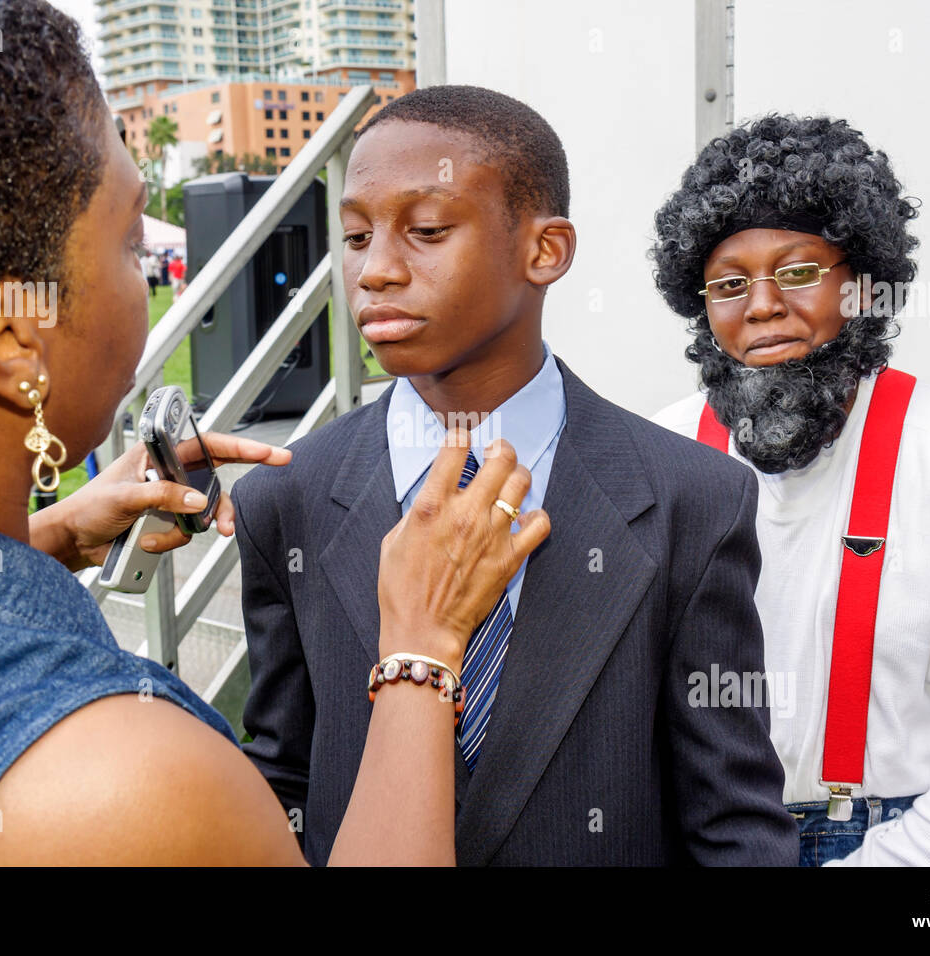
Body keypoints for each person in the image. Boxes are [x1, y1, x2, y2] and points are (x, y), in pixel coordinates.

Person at [0, 0, 548, 867]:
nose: (376, 268)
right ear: (11, 344)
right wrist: (420, 649)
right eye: (126, 242)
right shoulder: (122, 795)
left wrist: (38, 539)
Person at [231, 85, 800, 866]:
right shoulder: (285, 500)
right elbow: (285, 782)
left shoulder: (692, 500)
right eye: (357, 235)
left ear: (545, 251)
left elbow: (733, 824)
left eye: (426, 229)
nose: (377, 271)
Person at [649, 114, 930, 865]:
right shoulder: (660, 453)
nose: (760, 305)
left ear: (861, 288)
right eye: (729, 283)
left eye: (797, 271)